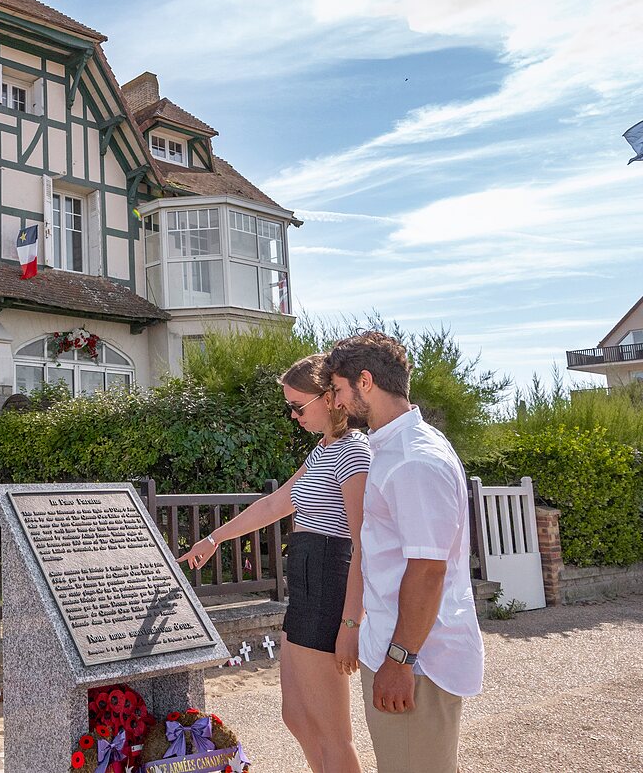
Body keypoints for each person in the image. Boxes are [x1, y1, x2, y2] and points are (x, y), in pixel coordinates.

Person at [178, 354, 368, 773]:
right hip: (305, 588)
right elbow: (276, 503)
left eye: (299, 406)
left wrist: (351, 624)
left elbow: (363, 545)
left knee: (334, 733)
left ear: (330, 397)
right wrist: (214, 538)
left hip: (327, 588)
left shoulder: (354, 454)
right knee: (297, 717)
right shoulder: (324, 450)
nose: (294, 415)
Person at [324, 331, 484, 773]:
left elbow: (428, 570)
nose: (335, 403)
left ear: (366, 381)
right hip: (399, 651)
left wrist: (399, 661)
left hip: (417, 662)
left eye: (338, 390)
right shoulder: (395, 448)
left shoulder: (415, 459)